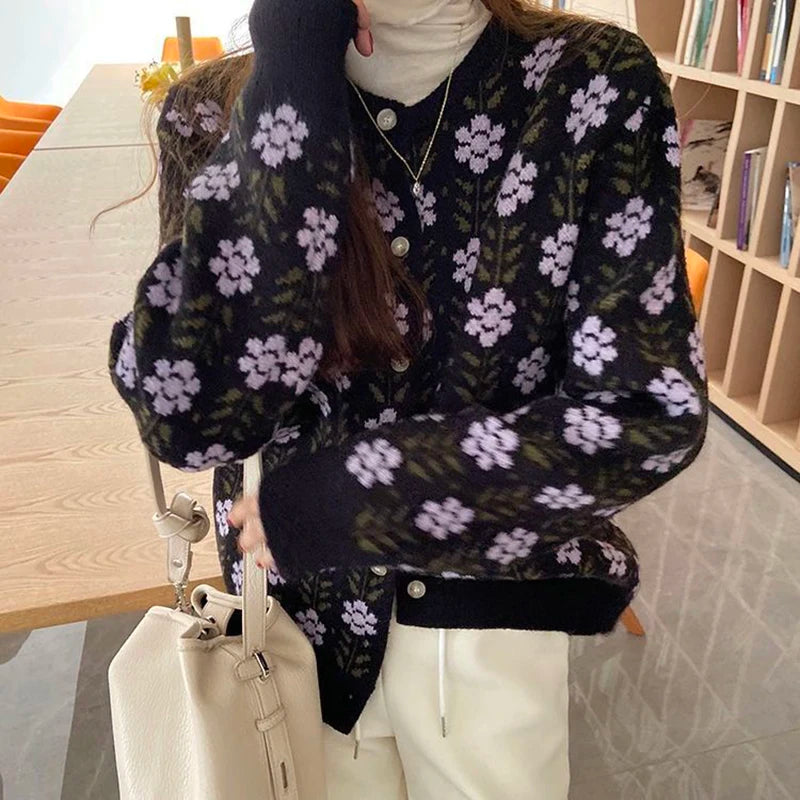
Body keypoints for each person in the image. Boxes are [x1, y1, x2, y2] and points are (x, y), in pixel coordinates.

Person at [108, 0, 708, 796]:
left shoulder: (595, 81)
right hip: (291, 625)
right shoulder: (214, 108)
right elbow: (189, 417)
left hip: (489, 622)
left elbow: (644, 413)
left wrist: (359, 494)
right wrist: (292, 84)